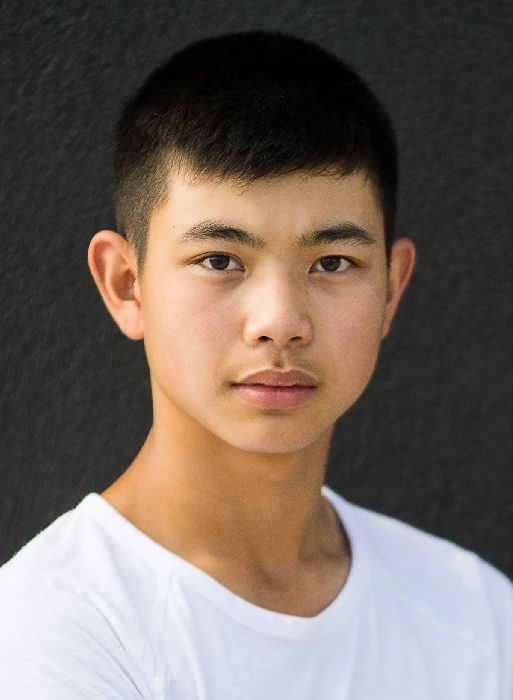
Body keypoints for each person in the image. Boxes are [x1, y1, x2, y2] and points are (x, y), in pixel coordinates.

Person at [0, 30, 511, 699]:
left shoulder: (474, 614)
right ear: (126, 284)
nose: (279, 321)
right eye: (219, 260)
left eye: (333, 263)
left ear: (390, 288)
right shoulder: (53, 635)